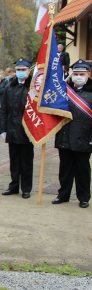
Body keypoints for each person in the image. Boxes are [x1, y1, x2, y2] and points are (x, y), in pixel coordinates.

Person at [52, 60, 92, 208]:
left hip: (83, 138)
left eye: (82, 74)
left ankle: (83, 197)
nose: (79, 77)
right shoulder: (64, 90)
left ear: (88, 74)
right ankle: (63, 195)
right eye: (76, 74)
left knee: (82, 170)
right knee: (65, 169)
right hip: (64, 136)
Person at [0, 58, 34, 199]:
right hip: (12, 128)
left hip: (27, 129)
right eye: (18, 70)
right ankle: (14, 186)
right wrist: (3, 129)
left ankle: (26, 188)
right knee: (14, 160)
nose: (20, 72)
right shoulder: (9, 87)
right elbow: (4, 110)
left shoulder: (33, 87)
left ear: (29, 70)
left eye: (23, 70)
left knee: (26, 161)